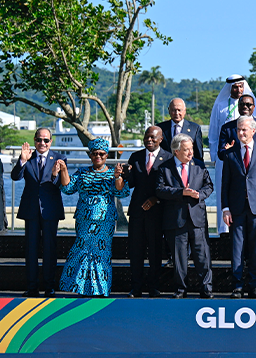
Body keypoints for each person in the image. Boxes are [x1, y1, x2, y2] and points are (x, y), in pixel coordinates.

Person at [54, 138, 130, 296]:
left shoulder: (112, 172)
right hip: (84, 219)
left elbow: (121, 192)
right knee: (81, 252)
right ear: (90, 155)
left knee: (101, 254)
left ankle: (100, 289)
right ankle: (80, 288)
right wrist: (64, 170)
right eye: (94, 153)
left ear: (107, 155)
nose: (98, 156)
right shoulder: (82, 172)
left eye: (101, 154)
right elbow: (67, 188)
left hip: (105, 220)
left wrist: (117, 176)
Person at [219, 116, 256, 298]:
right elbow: (225, 184)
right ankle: (237, 285)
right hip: (236, 208)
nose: (241, 133)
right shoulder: (230, 154)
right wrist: (225, 208)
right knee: (237, 248)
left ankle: (254, 285)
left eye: (244, 130)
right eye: (238, 130)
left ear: (254, 131)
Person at [157, 135, 215, 298]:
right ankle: (181, 289)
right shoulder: (165, 168)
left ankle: (206, 288)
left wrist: (200, 195)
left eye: (192, 148)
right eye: (187, 149)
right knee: (179, 258)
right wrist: (180, 192)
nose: (191, 152)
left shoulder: (199, 165)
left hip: (197, 218)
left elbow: (209, 186)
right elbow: (160, 190)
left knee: (202, 255)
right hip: (176, 219)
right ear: (176, 151)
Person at [12, 129, 67, 296]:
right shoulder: (28, 156)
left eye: (46, 140)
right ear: (34, 141)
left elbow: (62, 185)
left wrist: (55, 174)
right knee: (31, 250)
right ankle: (32, 287)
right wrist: (22, 160)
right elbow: (15, 177)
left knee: (50, 250)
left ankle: (49, 286)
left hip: (50, 210)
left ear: (51, 141)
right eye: (38, 140)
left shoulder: (59, 158)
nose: (42, 143)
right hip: (31, 210)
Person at [208, 75, 256, 237]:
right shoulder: (220, 106)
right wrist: (216, 157)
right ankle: (224, 229)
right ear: (229, 88)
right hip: (225, 157)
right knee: (224, 189)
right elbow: (213, 134)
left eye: (240, 86)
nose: (238, 90)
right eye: (235, 87)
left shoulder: (251, 104)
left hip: (247, 157)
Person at [127, 125, 171, 297]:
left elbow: (171, 186)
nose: (149, 140)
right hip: (137, 211)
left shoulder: (168, 158)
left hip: (158, 212)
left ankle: (154, 286)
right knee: (135, 251)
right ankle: (136, 287)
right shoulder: (135, 156)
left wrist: (157, 199)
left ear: (160, 139)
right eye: (147, 137)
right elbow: (130, 183)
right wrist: (123, 174)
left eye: (153, 137)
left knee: (154, 252)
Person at [157, 97, 205, 180]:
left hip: (187, 171)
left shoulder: (195, 128)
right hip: (166, 172)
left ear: (185, 111)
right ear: (169, 110)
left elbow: (198, 154)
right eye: (173, 110)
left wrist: (199, 173)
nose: (176, 113)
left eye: (179, 110)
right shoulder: (160, 128)